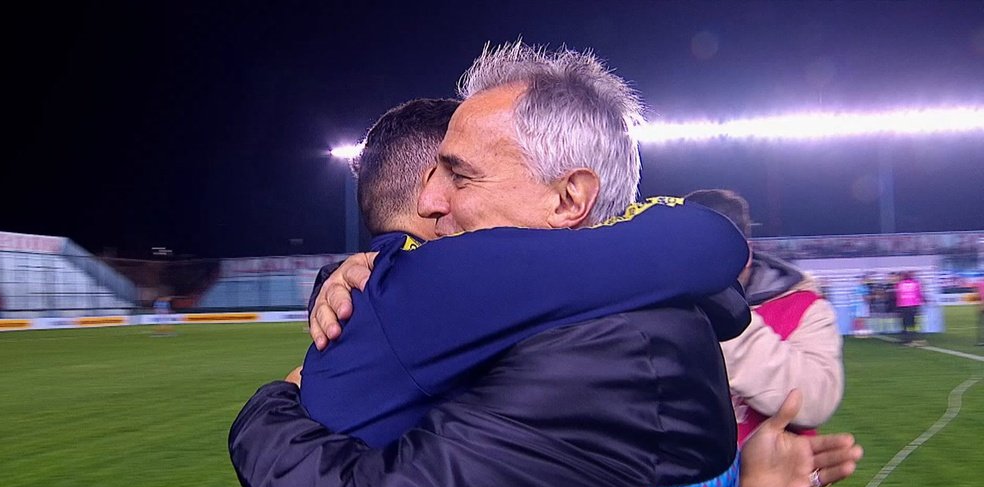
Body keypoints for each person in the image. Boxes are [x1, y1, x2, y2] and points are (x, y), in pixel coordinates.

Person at [232, 42, 862, 487]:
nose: (430, 204)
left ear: (568, 200)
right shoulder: (605, 309)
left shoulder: (602, 349)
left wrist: (268, 412)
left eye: (459, 174)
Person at [297, 98, 750, 448]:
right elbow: (710, 246)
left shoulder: (384, 289)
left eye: (459, 175)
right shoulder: (446, 284)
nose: (437, 198)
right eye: (455, 172)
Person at [685, 189, 845, 487]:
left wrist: (727, 319)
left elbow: (814, 400)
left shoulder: (802, 304)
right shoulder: (661, 302)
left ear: (744, 249)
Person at [896, 271, 926, 346]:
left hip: (903, 305)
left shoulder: (900, 284)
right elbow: (919, 294)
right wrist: (922, 301)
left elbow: (898, 295)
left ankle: (905, 339)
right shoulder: (915, 283)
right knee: (912, 322)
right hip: (913, 305)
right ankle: (913, 337)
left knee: (904, 323)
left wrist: (898, 305)